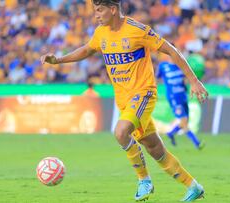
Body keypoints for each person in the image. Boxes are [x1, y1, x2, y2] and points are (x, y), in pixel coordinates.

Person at [40, 0, 208, 201]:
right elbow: (86, 50)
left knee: (120, 132)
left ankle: (144, 180)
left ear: (113, 10)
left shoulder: (137, 30)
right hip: (124, 101)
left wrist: (194, 81)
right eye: (95, 11)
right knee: (155, 148)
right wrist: (58, 60)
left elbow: (171, 49)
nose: (96, 15)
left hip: (144, 93)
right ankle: (193, 186)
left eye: (100, 10)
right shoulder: (101, 33)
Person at [157, 58, 204, 149]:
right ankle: (197, 143)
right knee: (184, 123)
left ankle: (170, 133)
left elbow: (186, 79)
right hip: (174, 97)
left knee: (185, 121)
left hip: (183, 96)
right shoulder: (163, 66)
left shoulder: (182, 65)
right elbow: (156, 77)